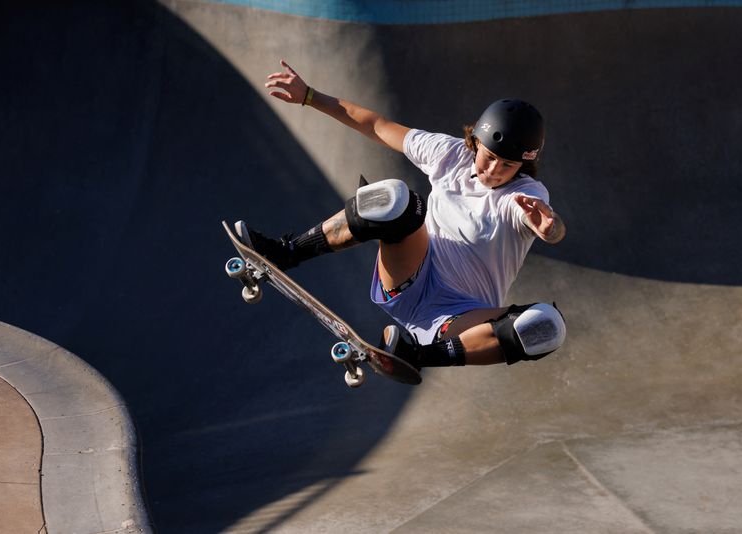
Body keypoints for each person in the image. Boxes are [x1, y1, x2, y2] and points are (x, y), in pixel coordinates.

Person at [236, 59, 567, 370]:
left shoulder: (526, 196)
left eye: (508, 165)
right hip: (410, 277)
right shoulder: (448, 155)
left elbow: (550, 229)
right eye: (489, 156)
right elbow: (377, 125)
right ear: (475, 142)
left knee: (547, 325)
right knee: (396, 198)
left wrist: (550, 229)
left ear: (523, 165)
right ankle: (285, 252)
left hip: (461, 317)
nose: (494, 170)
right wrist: (309, 96)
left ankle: (415, 356)